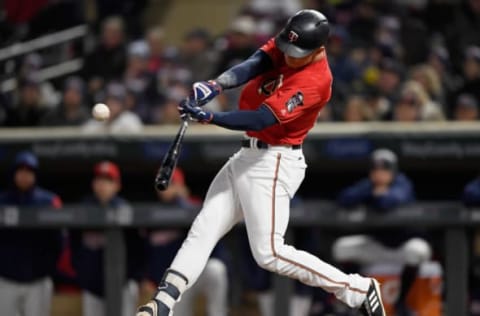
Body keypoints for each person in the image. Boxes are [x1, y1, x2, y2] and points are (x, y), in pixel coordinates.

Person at [138, 10, 386, 316]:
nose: (289, 56)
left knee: (268, 253)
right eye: (288, 47)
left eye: (297, 53)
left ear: (318, 49)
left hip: (274, 161)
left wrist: (211, 116)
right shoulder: (289, 43)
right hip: (247, 155)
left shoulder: (316, 80)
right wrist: (217, 85)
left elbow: (262, 117)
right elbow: (257, 62)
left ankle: (357, 290)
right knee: (203, 229)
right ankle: (163, 304)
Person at [333, 149, 432, 314]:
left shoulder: (403, 183)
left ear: (393, 171)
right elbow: (344, 198)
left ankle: (402, 302)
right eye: (376, 170)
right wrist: (372, 192)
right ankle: (353, 301)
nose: (380, 174)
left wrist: (374, 197)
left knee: (418, 250)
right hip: (378, 245)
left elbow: (389, 201)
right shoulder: (368, 186)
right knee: (341, 248)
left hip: (404, 246)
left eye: (385, 170)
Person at [143, 168, 229, 316]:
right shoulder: (151, 213)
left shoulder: (193, 206)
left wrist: (182, 202)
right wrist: (149, 278)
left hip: (196, 272)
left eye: (172, 183)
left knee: (216, 269)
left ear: (181, 186)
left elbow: (213, 242)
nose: (166, 187)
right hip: (174, 279)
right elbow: (148, 253)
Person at [70, 161, 144, 316]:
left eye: (108, 180)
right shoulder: (83, 210)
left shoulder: (126, 211)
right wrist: (83, 276)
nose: (103, 184)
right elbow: (74, 247)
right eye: (99, 179)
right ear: (93, 183)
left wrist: (132, 277)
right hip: (92, 287)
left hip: (123, 286)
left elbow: (139, 249)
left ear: (117, 185)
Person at [0, 151, 63, 316]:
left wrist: (48, 268)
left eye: (29, 171)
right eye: (20, 171)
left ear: (35, 175)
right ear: (14, 173)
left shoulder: (48, 201)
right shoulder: (2, 201)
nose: (24, 175)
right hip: (6, 279)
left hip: (38, 280)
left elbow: (59, 241)